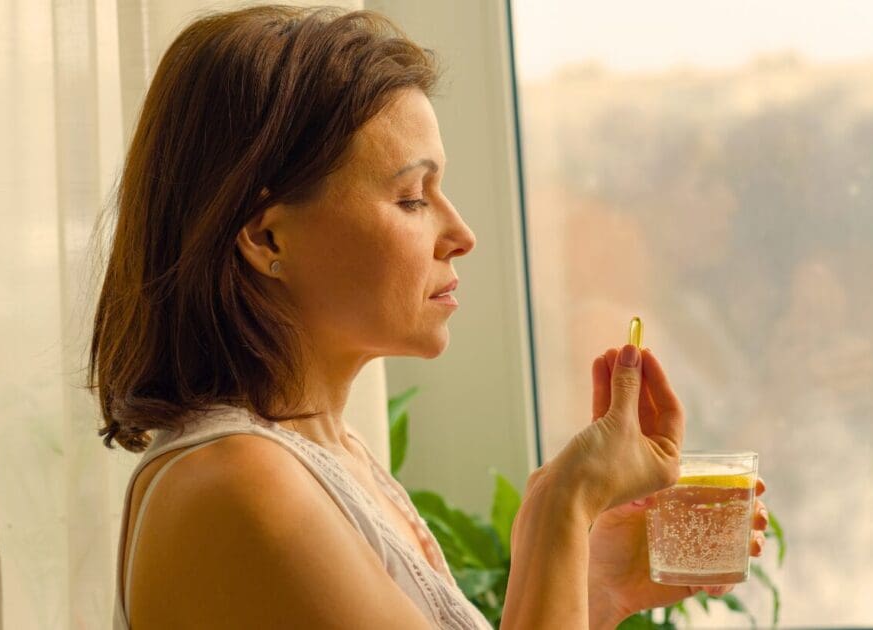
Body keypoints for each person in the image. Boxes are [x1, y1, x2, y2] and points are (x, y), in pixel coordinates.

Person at [89, 6, 769, 629]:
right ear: (268, 239)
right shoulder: (241, 487)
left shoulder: (332, 458)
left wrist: (589, 585)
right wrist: (561, 506)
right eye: (412, 197)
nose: (461, 233)